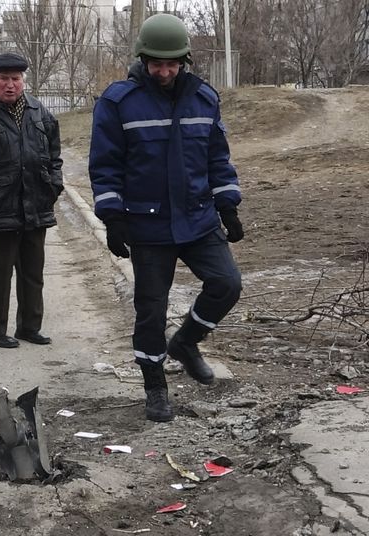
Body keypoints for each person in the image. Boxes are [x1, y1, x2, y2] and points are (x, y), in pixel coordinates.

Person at [88, 13, 243, 422]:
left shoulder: (204, 98)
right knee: (151, 310)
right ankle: (155, 386)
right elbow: (105, 165)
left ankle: (188, 341)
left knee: (227, 284)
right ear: (143, 58)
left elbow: (217, 157)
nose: (164, 70)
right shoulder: (118, 101)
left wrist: (228, 204)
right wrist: (113, 217)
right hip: (148, 225)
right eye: (156, 63)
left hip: (198, 218)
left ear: (184, 60)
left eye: (172, 63)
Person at [0, 52, 63, 349]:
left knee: (33, 272)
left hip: (35, 205)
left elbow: (54, 154)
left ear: (23, 81)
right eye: (3, 79)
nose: (10, 85)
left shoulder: (38, 111)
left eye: (15, 79)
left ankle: (29, 327)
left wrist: (53, 186)